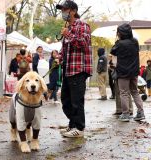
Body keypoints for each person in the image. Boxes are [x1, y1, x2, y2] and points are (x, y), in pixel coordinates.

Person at [56, 0, 92, 137]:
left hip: (78, 69)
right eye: (62, 10)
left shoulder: (83, 25)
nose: (63, 13)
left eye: (65, 10)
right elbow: (66, 48)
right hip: (68, 69)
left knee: (76, 101)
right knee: (66, 100)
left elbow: (83, 43)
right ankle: (72, 124)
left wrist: (68, 35)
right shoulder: (68, 27)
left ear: (73, 11)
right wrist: (59, 56)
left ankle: (79, 128)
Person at [111, 23, 145, 122]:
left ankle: (125, 114)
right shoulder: (135, 41)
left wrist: (116, 41)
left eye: (118, 32)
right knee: (135, 92)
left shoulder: (119, 43)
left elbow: (113, 52)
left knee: (124, 93)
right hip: (134, 71)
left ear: (121, 33)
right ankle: (140, 112)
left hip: (123, 72)